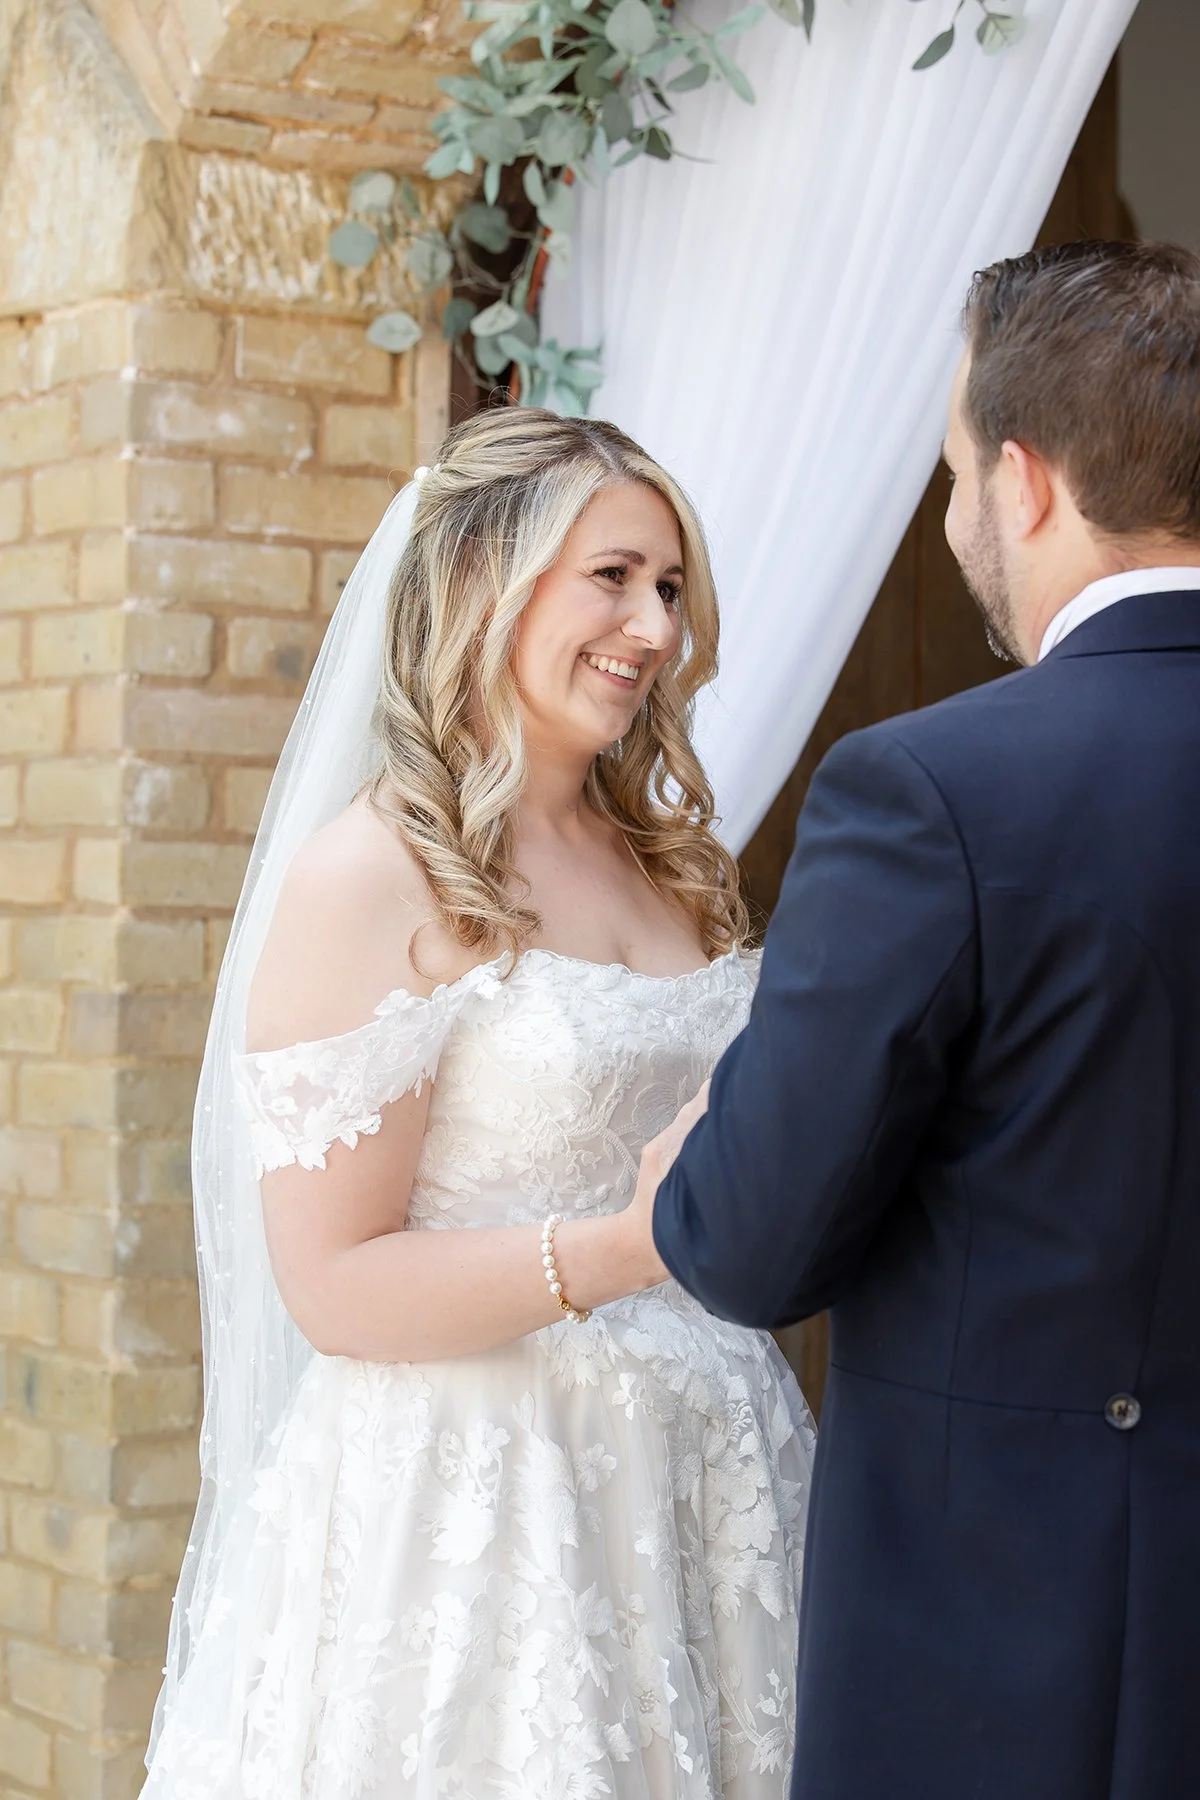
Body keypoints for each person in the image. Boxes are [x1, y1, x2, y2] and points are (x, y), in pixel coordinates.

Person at [140, 408, 814, 1800]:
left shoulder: (672, 861)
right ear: (479, 579)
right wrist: (623, 1250)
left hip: (702, 1476)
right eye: (613, 577)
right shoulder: (375, 872)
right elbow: (333, 1284)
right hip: (486, 1497)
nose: (655, 627)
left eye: (670, 587)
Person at [638, 237, 1200, 1800]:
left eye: (955, 476)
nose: (957, 519)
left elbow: (755, 1245)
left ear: (1025, 483)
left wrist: (694, 1171)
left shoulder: (932, 790)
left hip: (1027, 1654)